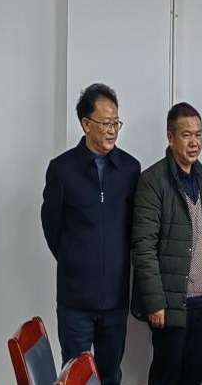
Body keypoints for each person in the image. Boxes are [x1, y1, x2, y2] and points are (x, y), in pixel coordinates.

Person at [41, 83, 140, 385]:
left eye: (116, 123)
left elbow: (135, 227)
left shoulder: (130, 169)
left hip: (116, 299)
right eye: (105, 123)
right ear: (86, 124)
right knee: (75, 376)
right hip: (75, 301)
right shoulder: (62, 170)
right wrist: (74, 258)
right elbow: (52, 227)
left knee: (110, 375)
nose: (112, 131)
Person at [131, 102, 202, 385]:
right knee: (166, 377)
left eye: (198, 135)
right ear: (170, 137)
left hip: (200, 300)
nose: (194, 142)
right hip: (170, 303)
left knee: (193, 376)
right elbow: (143, 247)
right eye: (186, 135)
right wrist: (155, 303)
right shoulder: (153, 181)